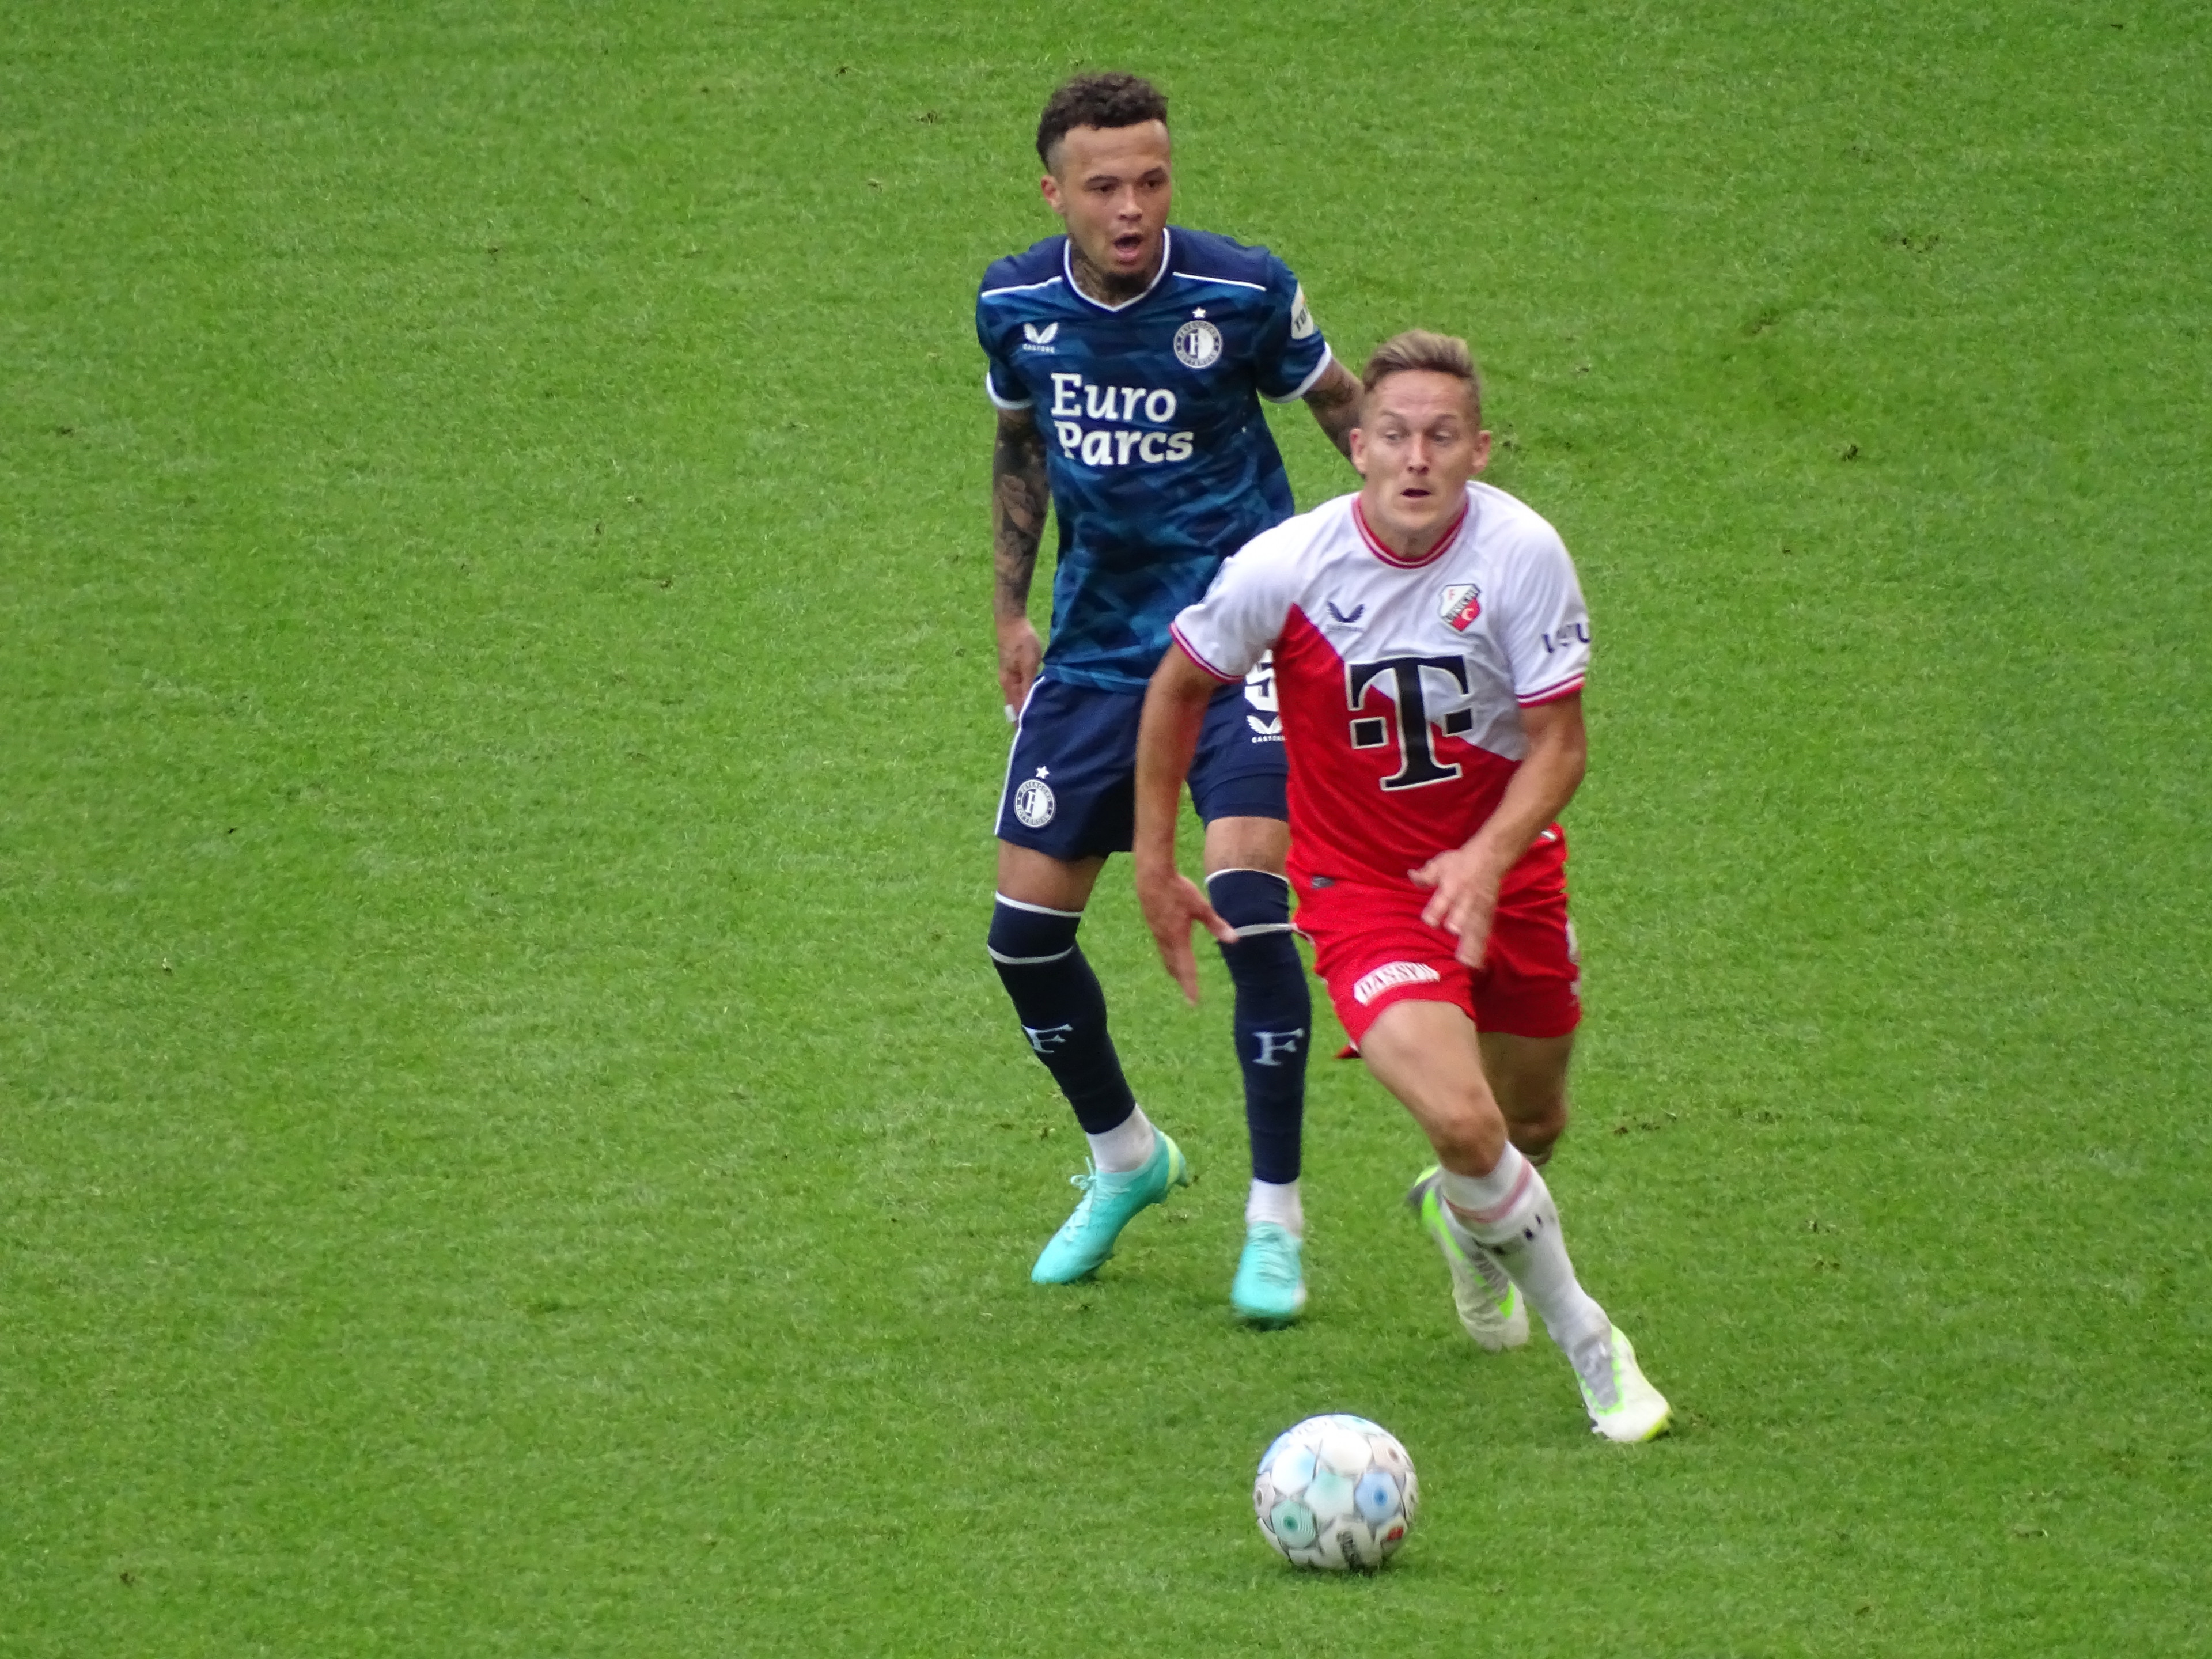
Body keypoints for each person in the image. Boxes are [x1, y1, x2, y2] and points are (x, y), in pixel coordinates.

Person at [1131, 330, 1671, 1440]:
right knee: (1468, 1124)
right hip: (1364, 889)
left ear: (1479, 450)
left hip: (1507, 873)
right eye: (1395, 435)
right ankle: (1594, 1348)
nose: (1417, 458)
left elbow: (1561, 745)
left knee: (1530, 1122)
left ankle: (1466, 1223)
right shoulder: (1288, 566)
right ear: (1358, 448)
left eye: (1441, 435)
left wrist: (1487, 856)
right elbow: (1179, 687)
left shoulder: (1522, 553)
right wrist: (1153, 863)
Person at [976, 71, 1366, 1321]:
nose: (1133, 207)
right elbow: (1023, 447)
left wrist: (1410, 556)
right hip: (1098, 656)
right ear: (1056, 194)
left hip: (1245, 641)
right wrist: (1011, 611)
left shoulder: (1240, 289)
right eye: (1105, 186)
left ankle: (1275, 1221)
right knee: (1023, 939)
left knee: (1250, 904)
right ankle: (1127, 1157)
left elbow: (1347, 413)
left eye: (1152, 180)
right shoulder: (1014, 305)